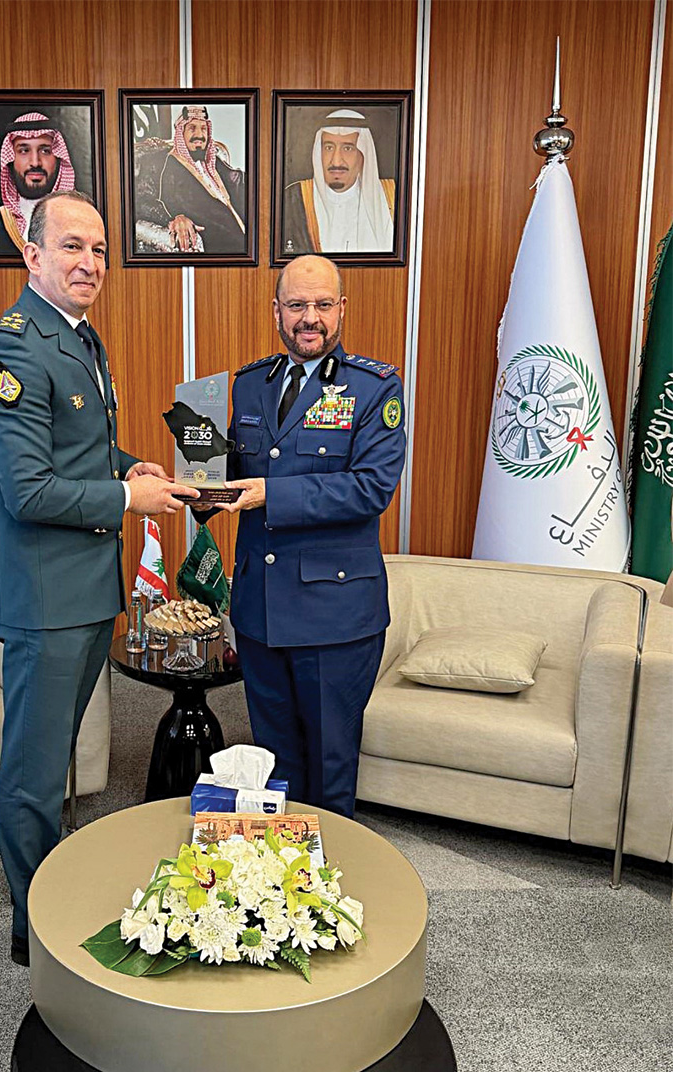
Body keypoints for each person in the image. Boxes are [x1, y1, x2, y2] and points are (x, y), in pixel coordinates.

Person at [0, 191, 198, 965]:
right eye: (72, 246)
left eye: (99, 249)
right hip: (46, 600)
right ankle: (31, 925)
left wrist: (129, 466)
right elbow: (28, 491)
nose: (90, 262)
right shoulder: (12, 351)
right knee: (33, 770)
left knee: (57, 749)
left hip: (87, 592)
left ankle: (52, 884)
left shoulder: (79, 338)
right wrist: (128, 500)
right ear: (32, 254)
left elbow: (78, 452)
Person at [204, 254, 406, 818]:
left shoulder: (374, 388)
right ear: (277, 311)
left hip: (333, 616)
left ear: (342, 309)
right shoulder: (250, 385)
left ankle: (331, 868)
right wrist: (193, 482)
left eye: (322, 304)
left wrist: (272, 495)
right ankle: (280, 869)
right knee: (275, 763)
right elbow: (232, 475)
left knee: (329, 764)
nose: (309, 318)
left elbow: (370, 489)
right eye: (296, 305)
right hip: (260, 610)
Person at [281, 109, 394, 255]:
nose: (336, 161)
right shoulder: (293, 199)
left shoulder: (391, 198)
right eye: (328, 148)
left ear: (363, 154)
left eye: (348, 148)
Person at [144, 105, 247, 254]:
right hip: (220, 248)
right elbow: (146, 201)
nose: (199, 135)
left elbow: (238, 181)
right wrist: (175, 218)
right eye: (192, 128)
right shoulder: (169, 166)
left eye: (203, 129)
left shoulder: (214, 161)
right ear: (181, 133)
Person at [0, 111, 77, 253]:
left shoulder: (81, 218)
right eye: (24, 151)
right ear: (11, 159)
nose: (35, 162)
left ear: (58, 158)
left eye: (45, 151)